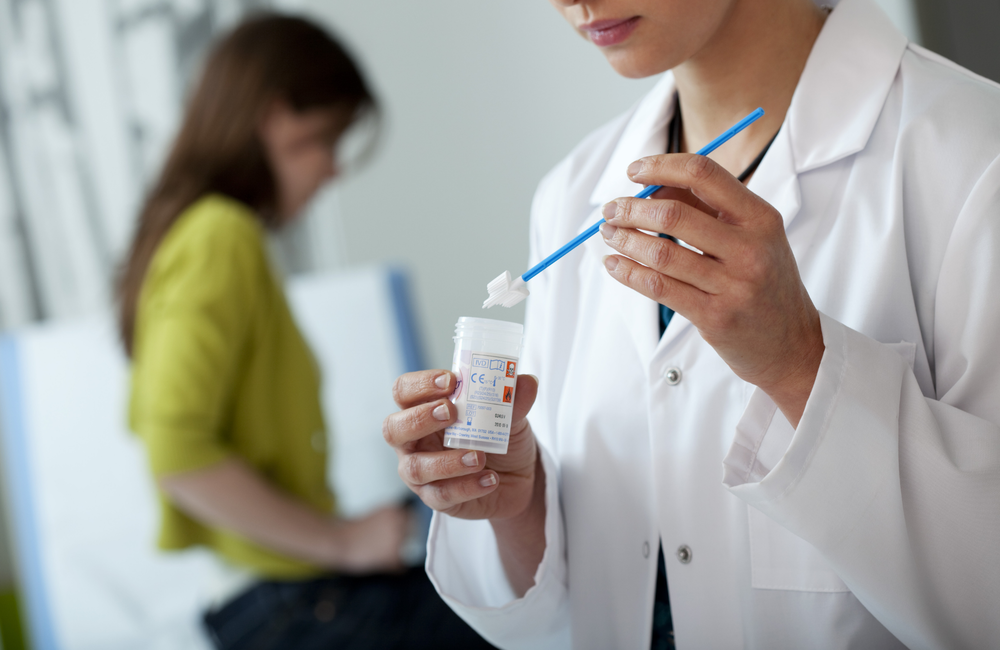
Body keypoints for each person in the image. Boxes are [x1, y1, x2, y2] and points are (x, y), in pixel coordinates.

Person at [382, 0, 1000, 647]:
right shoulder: (569, 198)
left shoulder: (971, 159)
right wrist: (517, 505)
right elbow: (573, 607)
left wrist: (800, 365)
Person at [118, 14, 495, 650]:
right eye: (327, 139)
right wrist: (342, 542)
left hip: (276, 599)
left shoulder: (201, 234)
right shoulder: (220, 236)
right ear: (274, 117)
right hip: (283, 605)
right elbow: (176, 452)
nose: (332, 170)